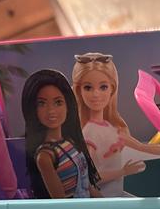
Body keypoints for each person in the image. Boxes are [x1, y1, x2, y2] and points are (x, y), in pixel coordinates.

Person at [72, 52, 160, 197]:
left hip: (117, 195)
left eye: (103, 87)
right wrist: (123, 172)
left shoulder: (112, 128)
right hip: (105, 200)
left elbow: (143, 147)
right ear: (79, 91)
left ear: (112, 89)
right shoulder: (89, 133)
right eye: (88, 88)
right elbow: (91, 179)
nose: (96, 94)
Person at [22, 69, 102, 199]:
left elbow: (88, 187)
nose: (51, 110)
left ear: (68, 105)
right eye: (42, 104)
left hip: (88, 206)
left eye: (58, 102)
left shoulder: (71, 142)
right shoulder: (45, 156)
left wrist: (107, 204)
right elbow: (61, 203)